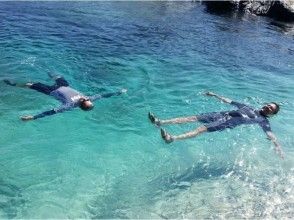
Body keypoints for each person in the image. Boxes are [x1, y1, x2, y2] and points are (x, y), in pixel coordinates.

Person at [148, 92, 284, 158]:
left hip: (227, 122)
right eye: (268, 105)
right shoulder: (249, 107)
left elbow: (270, 134)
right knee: (192, 118)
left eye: (270, 108)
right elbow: (230, 101)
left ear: (272, 113)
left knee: (200, 129)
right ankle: (160, 122)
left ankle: (172, 139)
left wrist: (277, 146)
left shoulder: (263, 120)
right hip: (220, 114)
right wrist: (215, 95)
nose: (267, 107)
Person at [4, 73, 127, 121]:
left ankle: (12, 84)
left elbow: (51, 112)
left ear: (83, 104)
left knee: (29, 85)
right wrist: (118, 92)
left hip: (51, 91)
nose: (88, 98)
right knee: (56, 75)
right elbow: (103, 95)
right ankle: (46, 68)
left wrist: (33, 117)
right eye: (89, 100)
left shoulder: (70, 105)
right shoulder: (88, 98)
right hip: (64, 85)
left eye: (87, 101)